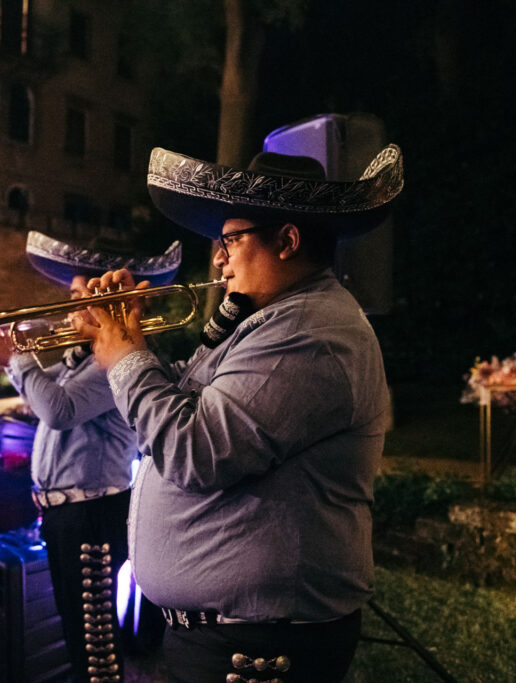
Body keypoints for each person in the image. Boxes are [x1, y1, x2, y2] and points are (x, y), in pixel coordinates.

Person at [73, 145, 404, 682]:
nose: (219, 260)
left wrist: (125, 358)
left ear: (288, 241)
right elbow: (186, 405)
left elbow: (195, 449)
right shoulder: (267, 323)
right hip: (229, 638)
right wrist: (127, 336)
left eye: (231, 240)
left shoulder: (311, 332)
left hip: (257, 647)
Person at [0, 230, 180, 683]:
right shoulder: (83, 359)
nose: (67, 309)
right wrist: (9, 361)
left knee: (95, 648)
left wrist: (18, 359)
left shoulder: (117, 363)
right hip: (68, 514)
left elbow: (59, 410)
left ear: (111, 302)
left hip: (91, 515)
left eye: (78, 297)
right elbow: (47, 397)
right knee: (78, 636)